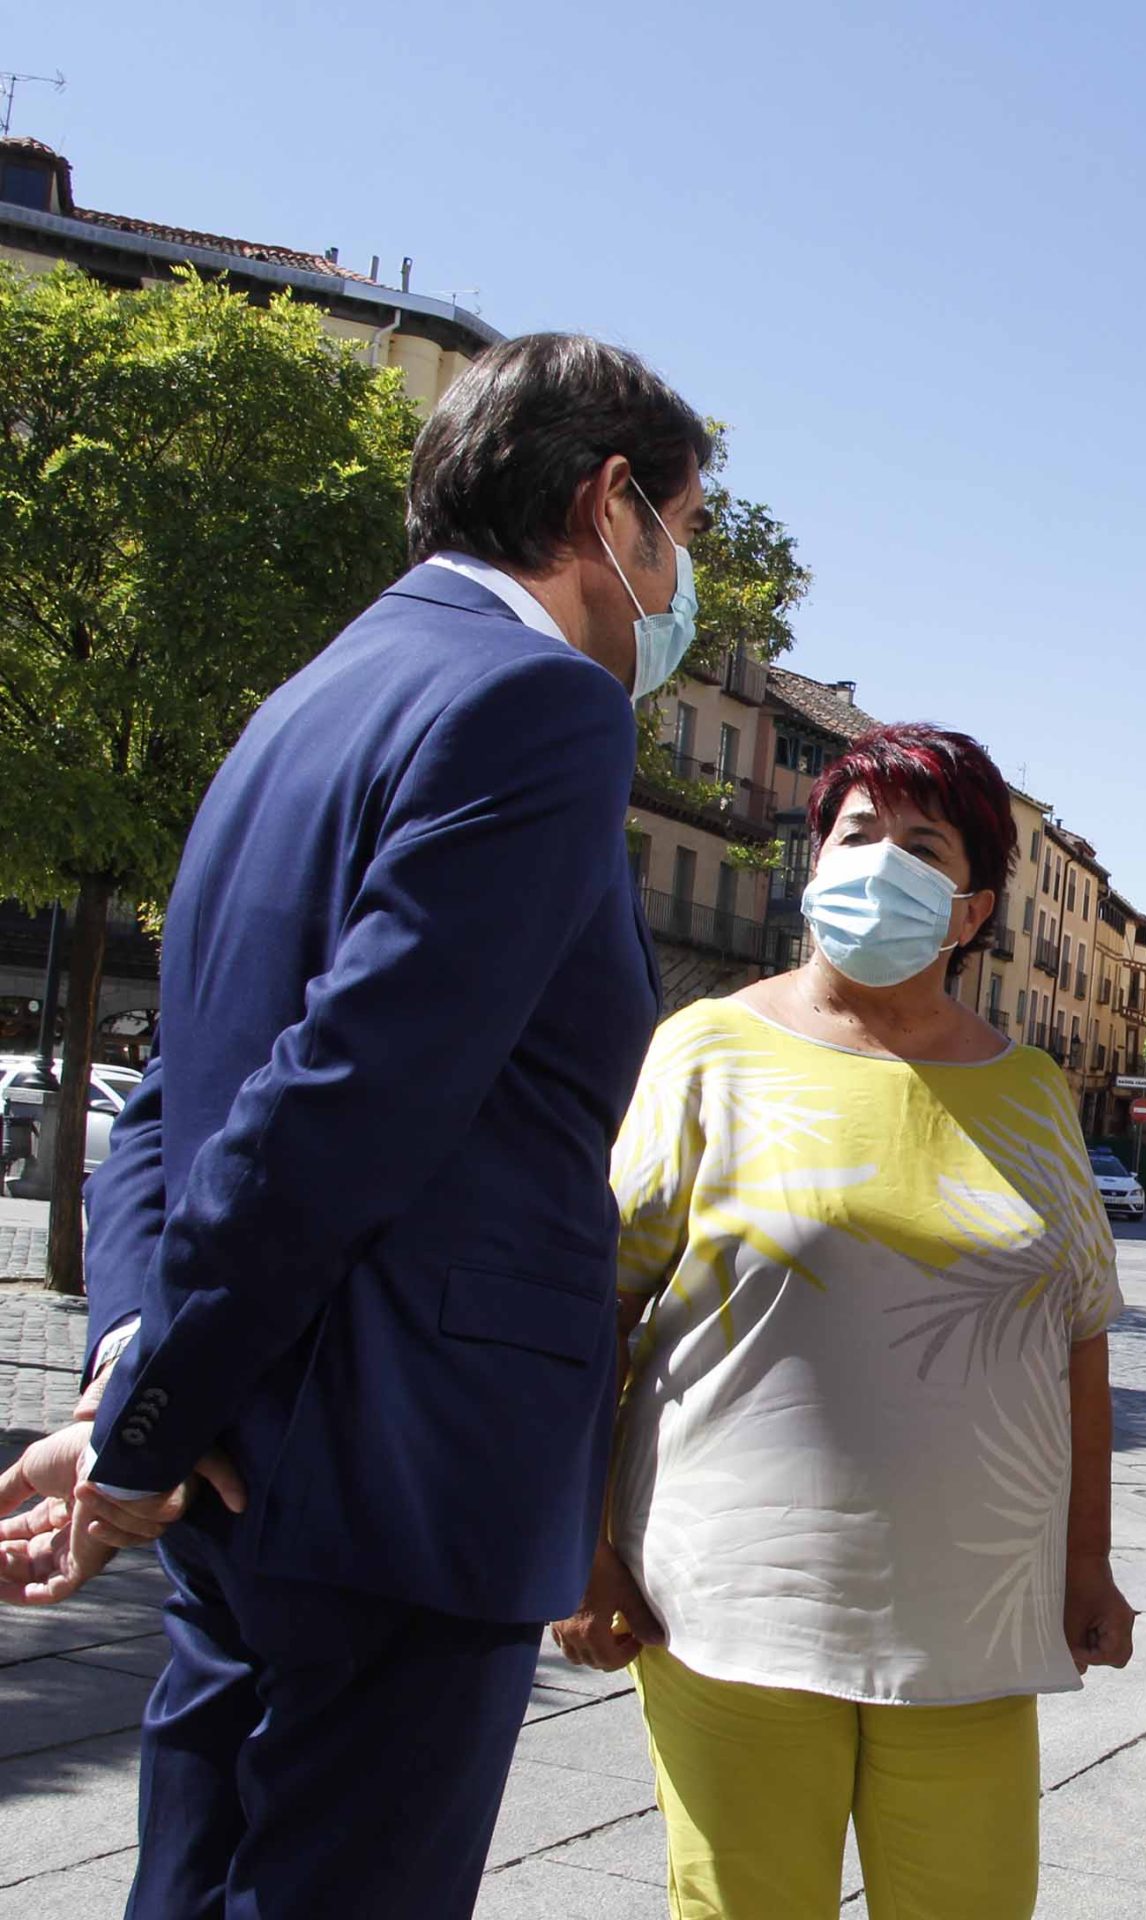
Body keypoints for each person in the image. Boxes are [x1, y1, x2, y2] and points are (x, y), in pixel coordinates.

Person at [0, 333, 709, 1917]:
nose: (679, 587)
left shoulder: (300, 704)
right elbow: (340, 1106)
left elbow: (175, 1095)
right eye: (685, 532)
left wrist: (141, 1361)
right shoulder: (542, 705)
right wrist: (148, 1425)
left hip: (263, 1469)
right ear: (611, 504)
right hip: (404, 1480)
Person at [551, 722, 1136, 1920]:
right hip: (731, 1605)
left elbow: (1078, 1339)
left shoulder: (1030, 1091)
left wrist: (1086, 1561)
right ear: (810, 867)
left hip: (976, 1614)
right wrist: (582, 1549)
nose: (880, 861)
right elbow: (596, 1314)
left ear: (971, 911)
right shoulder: (707, 1050)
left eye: (923, 845)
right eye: (856, 833)